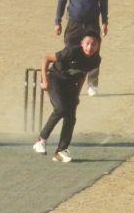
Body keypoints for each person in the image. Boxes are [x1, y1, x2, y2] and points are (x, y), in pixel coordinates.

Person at [32, 33, 101, 163]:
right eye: (88, 43)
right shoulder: (71, 51)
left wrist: (76, 95)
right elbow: (46, 58)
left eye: (94, 44)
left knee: (70, 116)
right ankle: (40, 140)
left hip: (71, 86)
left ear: (98, 46)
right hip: (55, 79)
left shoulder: (95, 60)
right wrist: (44, 80)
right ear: (82, 44)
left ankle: (61, 150)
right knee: (61, 108)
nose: (90, 47)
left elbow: (82, 75)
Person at [54, 0, 108, 96]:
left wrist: (105, 21)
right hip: (74, 23)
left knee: (93, 52)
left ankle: (92, 84)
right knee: (70, 51)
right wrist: (57, 21)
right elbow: (62, 0)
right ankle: (68, 82)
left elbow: (103, 1)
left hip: (91, 23)